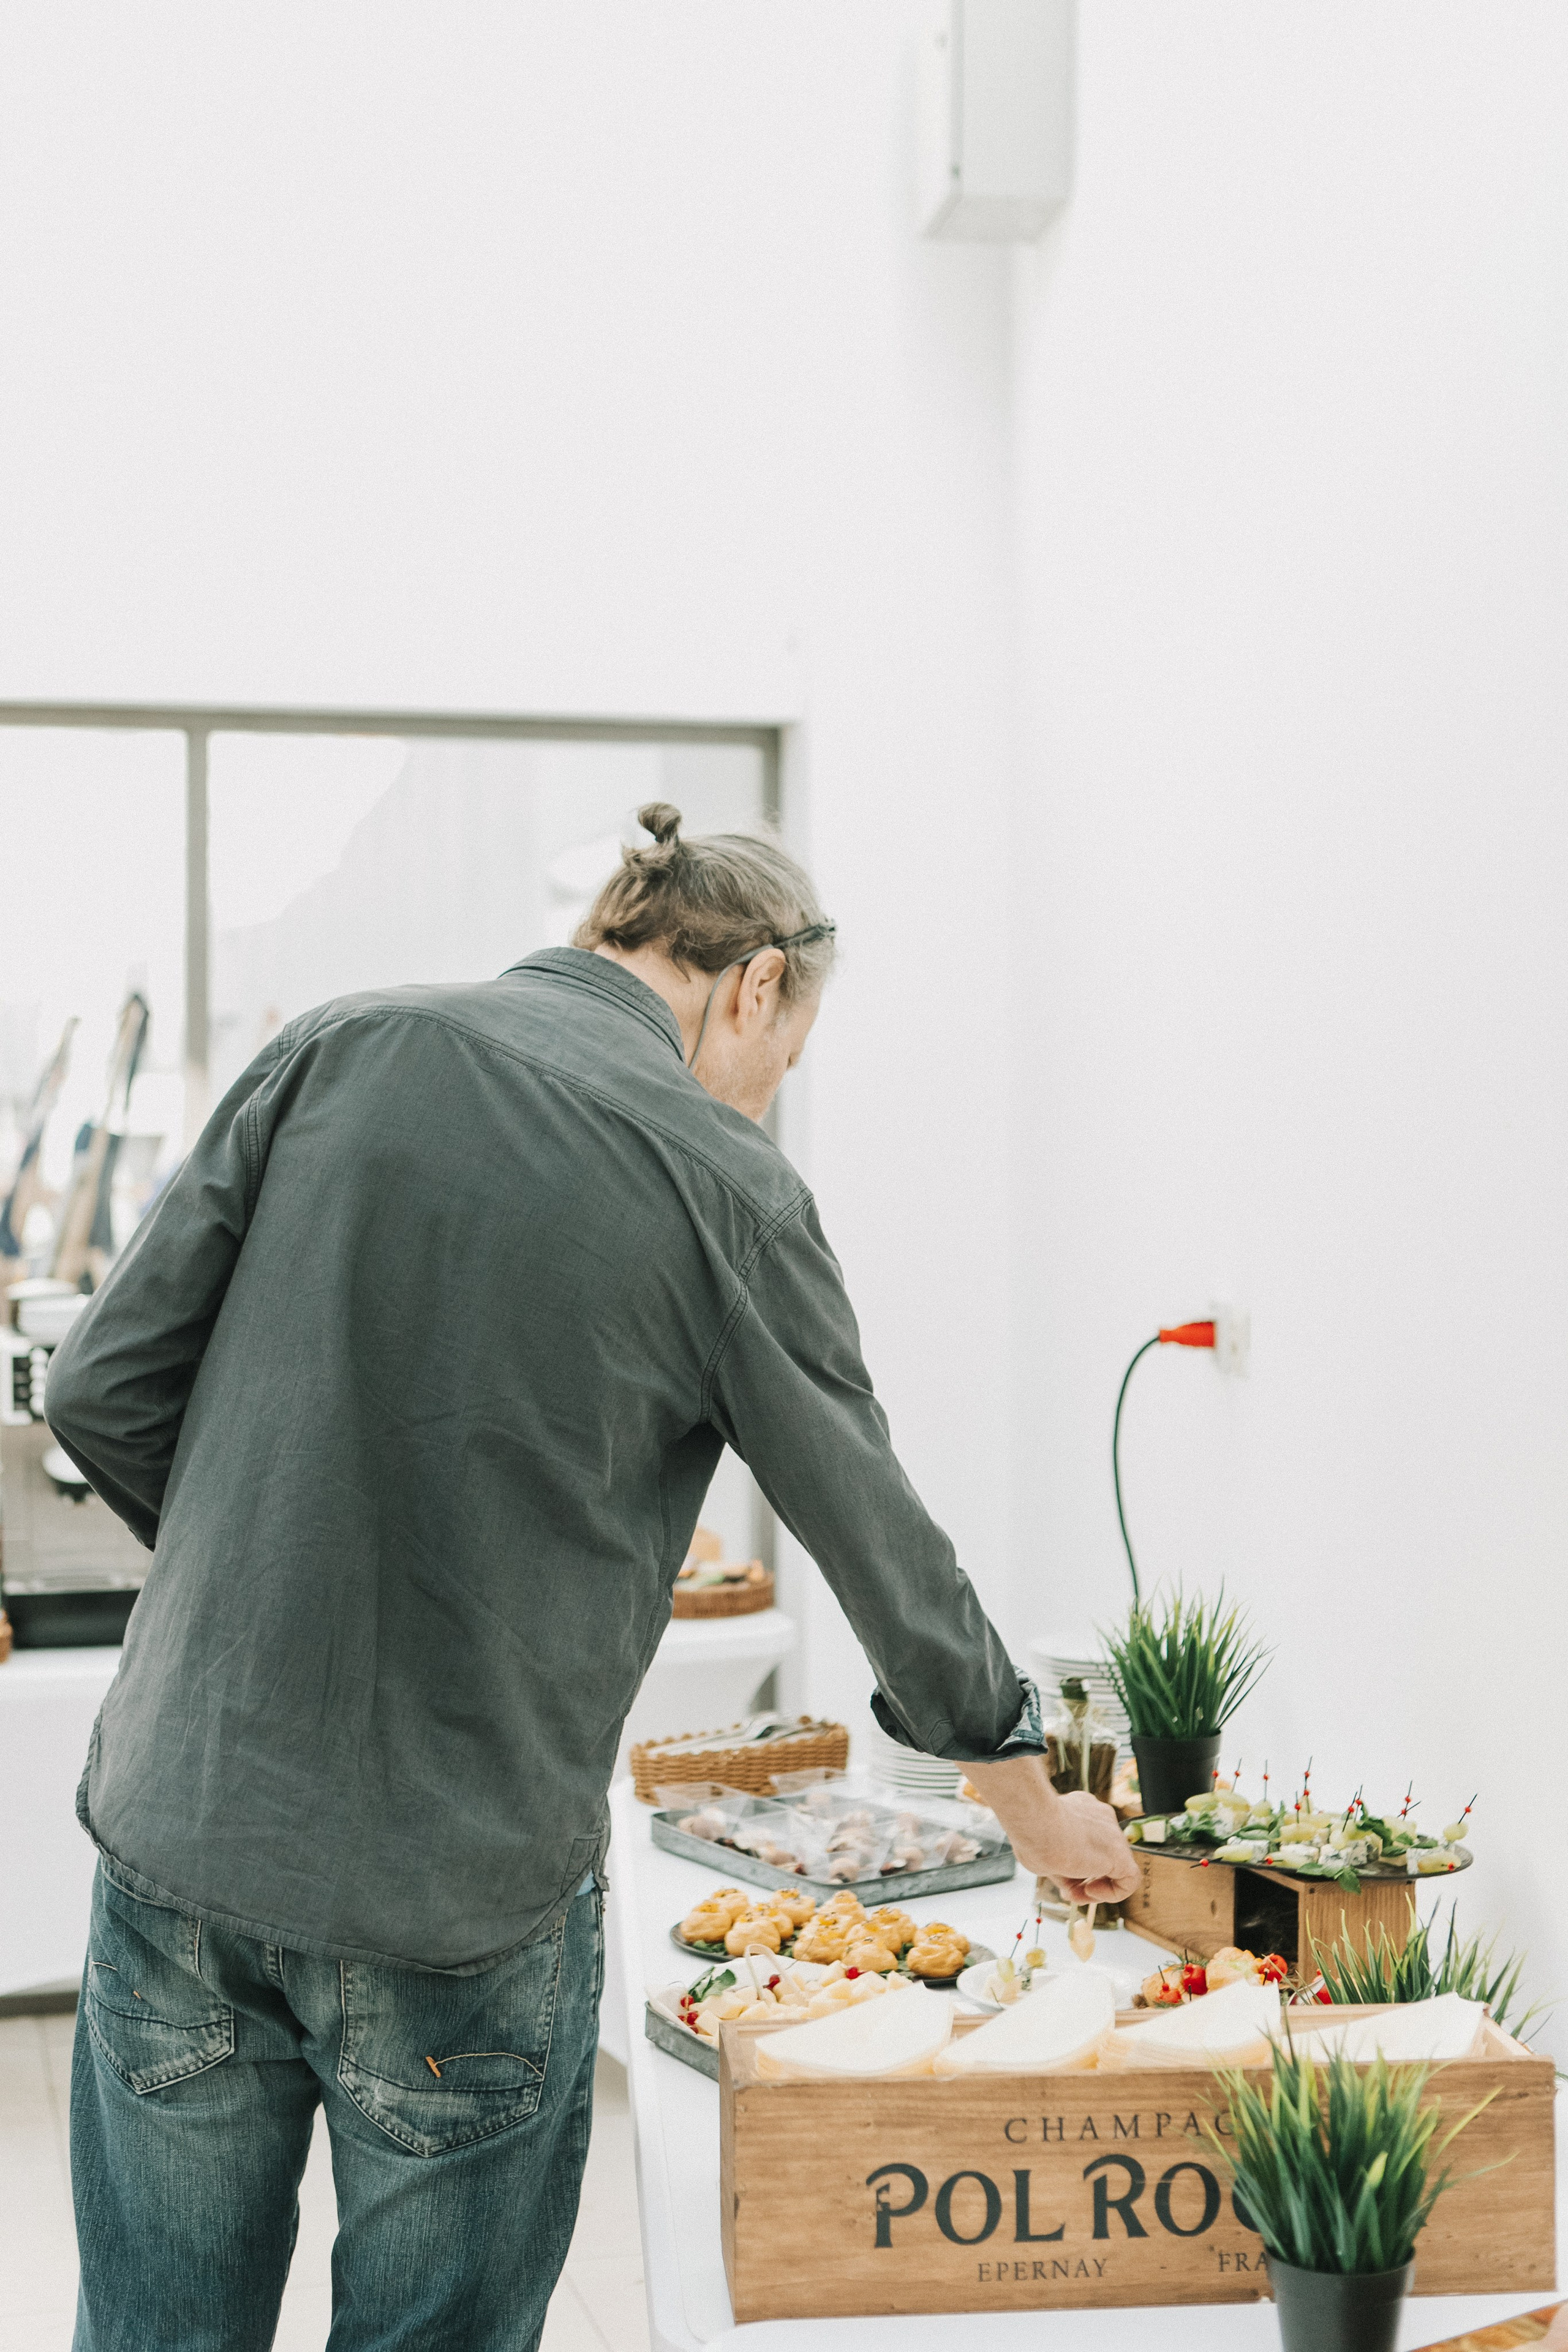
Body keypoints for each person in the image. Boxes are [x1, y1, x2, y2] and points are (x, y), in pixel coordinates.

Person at [47, 803, 1137, 2352]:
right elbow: (872, 1531)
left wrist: (260, 1569)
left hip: (184, 1823)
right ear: (751, 985)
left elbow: (98, 1391)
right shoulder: (724, 1186)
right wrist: (1025, 1789)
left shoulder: (339, 1045)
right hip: (459, 1886)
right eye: (787, 1056)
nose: (770, 1100)